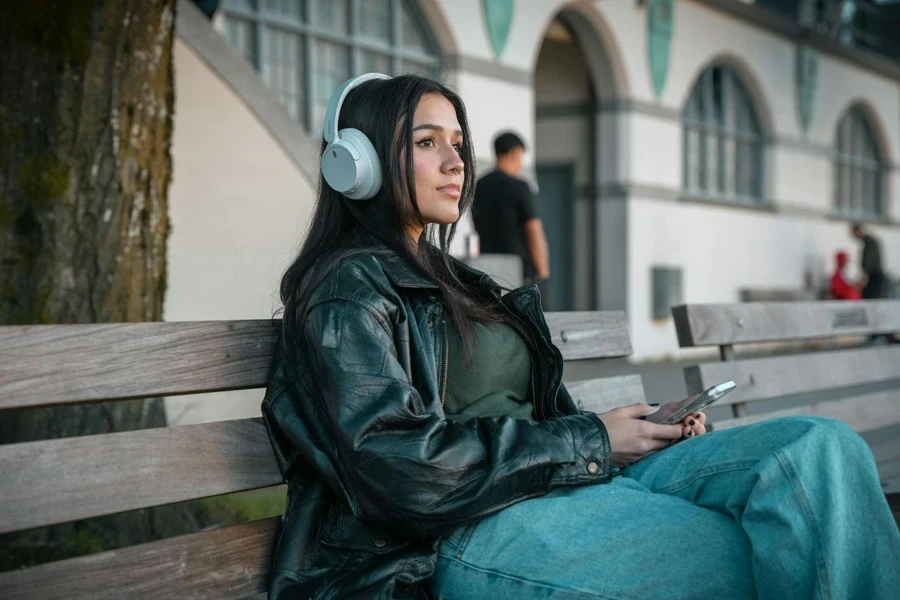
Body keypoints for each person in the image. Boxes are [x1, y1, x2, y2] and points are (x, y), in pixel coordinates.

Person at [262, 73, 900, 600]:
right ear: (359, 164)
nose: (457, 162)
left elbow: (532, 418)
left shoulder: (459, 280)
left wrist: (630, 433)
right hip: (454, 538)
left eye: (458, 142)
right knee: (783, 546)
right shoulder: (347, 288)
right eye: (428, 143)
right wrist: (592, 440)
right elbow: (399, 471)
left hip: (565, 485)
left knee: (820, 449)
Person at [472, 132, 550, 287]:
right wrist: (543, 274)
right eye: (521, 156)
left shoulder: (480, 186)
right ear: (514, 152)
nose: (521, 163)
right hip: (521, 271)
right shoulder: (519, 186)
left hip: (489, 270)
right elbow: (534, 231)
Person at [852, 223, 890, 299]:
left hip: (875, 276)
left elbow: (870, 260)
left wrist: (864, 275)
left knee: (869, 297)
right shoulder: (868, 241)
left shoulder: (869, 242)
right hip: (873, 275)